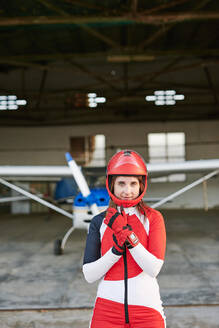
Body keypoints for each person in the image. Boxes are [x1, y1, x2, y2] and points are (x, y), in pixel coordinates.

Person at [83, 150, 166, 328]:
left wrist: (129, 237)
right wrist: (115, 251)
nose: (127, 191)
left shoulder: (153, 218)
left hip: (147, 310)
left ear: (141, 185)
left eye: (133, 184)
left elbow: (153, 268)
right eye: (121, 183)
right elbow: (89, 275)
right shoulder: (99, 221)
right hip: (107, 310)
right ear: (111, 184)